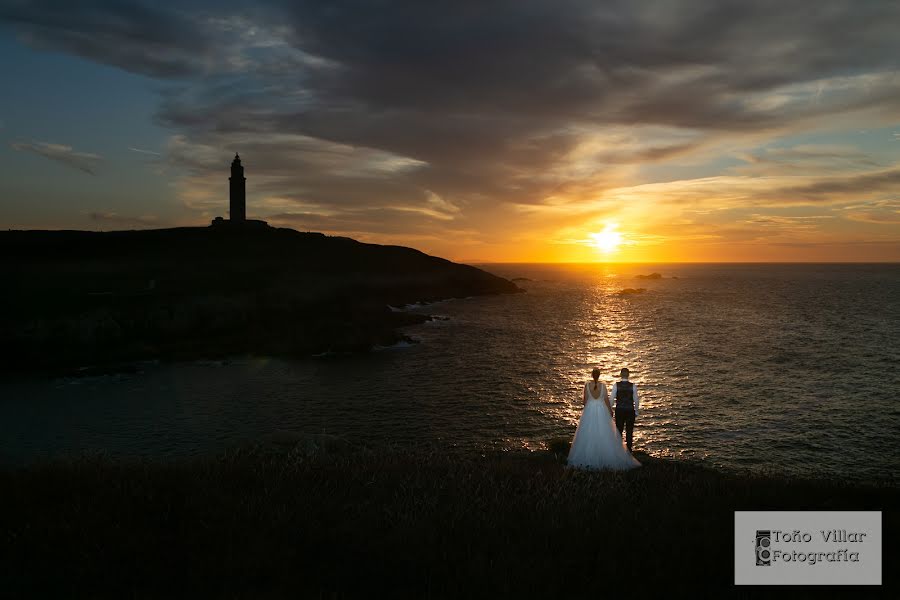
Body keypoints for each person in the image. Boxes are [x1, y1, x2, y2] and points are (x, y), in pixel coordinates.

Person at [567, 367, 641, 470]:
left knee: (591, 433)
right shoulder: (604, 386)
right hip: (607, 410)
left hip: (591, 410)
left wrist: (589, 407)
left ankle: (590, 455)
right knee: (609, 432)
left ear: (592, 375)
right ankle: (624, 453)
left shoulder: (587, 385)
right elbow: (607, 400)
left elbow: (584, 402)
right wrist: (610, 411)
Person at [610, 367, 639, 453]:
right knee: (629, 431)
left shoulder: (616, 385)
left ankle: (618, 449)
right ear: (628, 375)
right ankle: (629, 450)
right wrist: (636, 411)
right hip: (630, 410)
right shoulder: (633, 386)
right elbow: (636, 399)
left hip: (619, 410)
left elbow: (612, 399)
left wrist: (610, 409)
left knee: (619, 430)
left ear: (620, 375)